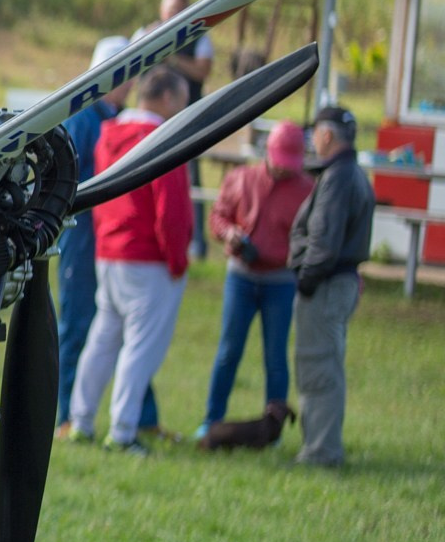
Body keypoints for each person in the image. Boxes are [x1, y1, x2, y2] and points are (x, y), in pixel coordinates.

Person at [67, 66, 192, 456]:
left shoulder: (111, 132)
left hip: (110, 250)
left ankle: (80, 419)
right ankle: (122, 430)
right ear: (168, 98)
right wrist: (177, 260)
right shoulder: (161, 137)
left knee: (103, 340)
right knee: (139, 347)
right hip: (147, 257)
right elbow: (171, 211)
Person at [55, 36, 160, 443]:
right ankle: (68, 414)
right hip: (82, 236)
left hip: (110, 236)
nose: (131, 84)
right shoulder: (81, 121)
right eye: (124, 76)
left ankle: (143, 417)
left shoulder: (116, 118)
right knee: (80, 326)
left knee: (126, 330)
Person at [197, 121, 314, 444]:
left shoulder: (308, 190)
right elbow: (218, 216)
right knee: (228, 351)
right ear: (268, 154)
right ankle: (211, 422)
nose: (282, 170)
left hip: (280, 280)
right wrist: (229, 233)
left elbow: (310, 238)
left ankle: (273, 428)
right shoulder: (242, 178)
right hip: (241, 276)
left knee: (276, 357)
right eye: (279, 161)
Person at [288, 105, 375, 468]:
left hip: (325, 285)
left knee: (318, 368)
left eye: (315, 135)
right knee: (327, 366)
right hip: (338, 282)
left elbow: (323, 241)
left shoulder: (337, 177)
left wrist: (306, 281)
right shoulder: (351, 172)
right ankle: (321, 447)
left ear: (325, 135)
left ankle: (320, 453)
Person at [158, 0, 214, 258]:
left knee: (190, 180)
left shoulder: (199, 37)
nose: (174, 16)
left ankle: (196, 242)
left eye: (180, 10)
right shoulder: (148, 34)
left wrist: (173, 58)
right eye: (171, 10)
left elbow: (203, 70)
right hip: (153, 124)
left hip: (188, 120)